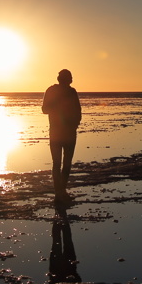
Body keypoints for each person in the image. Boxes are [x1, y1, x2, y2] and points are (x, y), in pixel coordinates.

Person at [42, 69, 82, 200]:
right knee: (58, 163)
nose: (71, 80)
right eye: (69, 78)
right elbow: (44, 109)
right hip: (57, 132)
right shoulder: (52, 91)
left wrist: (75, 124)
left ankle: (61, 191)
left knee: (65, 163)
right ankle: (59, 191)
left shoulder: (72, 92)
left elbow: (78, 111)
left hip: (67, 132)